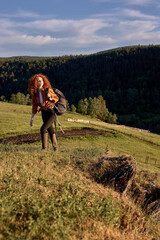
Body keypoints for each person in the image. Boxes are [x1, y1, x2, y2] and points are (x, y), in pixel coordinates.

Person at [28, 73, 59, 151]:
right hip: (43, 113)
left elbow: (56, 98)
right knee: (50, 129)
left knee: (43, 129)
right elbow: (34, 106)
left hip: (51, 112)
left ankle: (44, 149)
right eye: (38, 81)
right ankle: (55, 148)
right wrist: (32, 118)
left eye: (41, 80)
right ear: (35, 82)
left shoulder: (48, 90)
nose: (40, 82)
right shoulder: (35, 94)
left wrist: (51, 97)